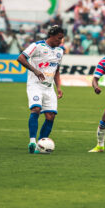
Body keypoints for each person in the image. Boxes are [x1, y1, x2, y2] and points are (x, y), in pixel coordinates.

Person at [17, 25, 65, 154]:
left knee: (50, 116)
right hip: (35, 85)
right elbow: (21, 58)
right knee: (36, 109)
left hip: (49, 88)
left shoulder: (60, 51)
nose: (60, 41)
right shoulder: (37, 46)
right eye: (59, 38)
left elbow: (57, 70)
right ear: (51, 35)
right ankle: (32, 142)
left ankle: (40, 144)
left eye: (62, 39)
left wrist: (59, 87)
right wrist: (35, 70)